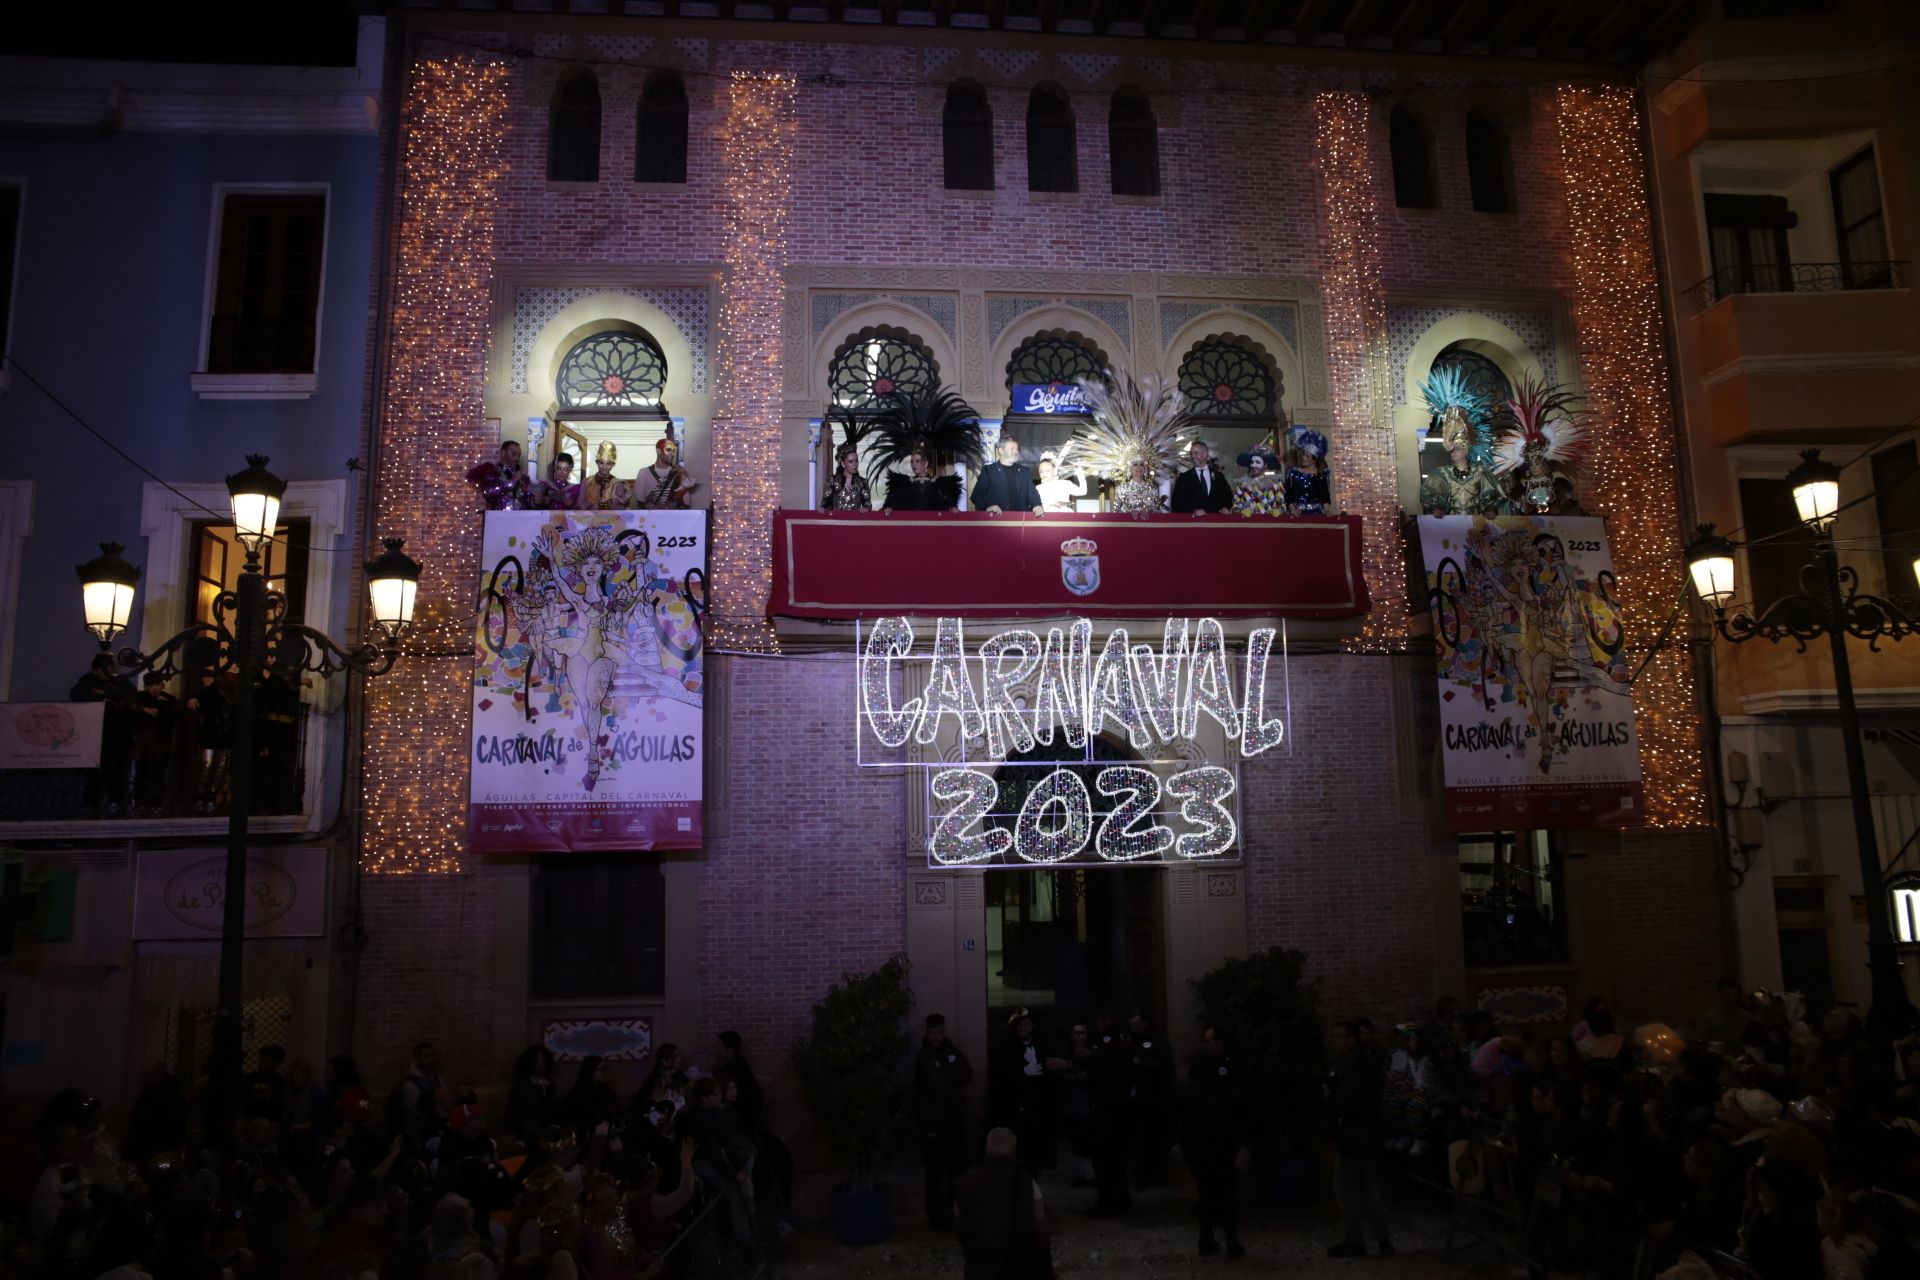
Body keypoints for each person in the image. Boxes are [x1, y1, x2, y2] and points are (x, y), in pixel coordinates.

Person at [1178, 1025, 1245, 1259]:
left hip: (1196, 1151)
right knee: (1227, 1193)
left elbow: (1177, 1118)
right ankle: (1232, 1241)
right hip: (1221, 1149)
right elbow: (1241, 1113)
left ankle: (1206, 1238)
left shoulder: (1185, 1090)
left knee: (1206, 1193)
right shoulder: (1224, 1090)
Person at [1327, 1020, 1392, 1258]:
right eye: (1335, 1035)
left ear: (1352, 1038)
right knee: (1369, 1188)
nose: (1337, 1040)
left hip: (1353, 1134)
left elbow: (1347, 1101)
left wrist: (1330, 1100)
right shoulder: (1365, 1061)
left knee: (1347, 1190)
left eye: (1341, 1036)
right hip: (1369, 1133)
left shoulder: (1351, 1064)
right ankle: (1383, 1239)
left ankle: (1355, 1241)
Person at [954, 1127, 1051, 1280]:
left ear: (986, 1149)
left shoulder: (965, 1182)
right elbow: (1040, 1227)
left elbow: (959, 1224)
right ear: (1013, 1151)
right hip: (1015, 1265)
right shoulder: (1026, 1183)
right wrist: (1046, 1266)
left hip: (978, 1264)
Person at [988, 1009, 1069, 1170]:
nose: (1022, 1028)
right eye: (1019, 1024)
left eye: (1026, 1024)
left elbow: (1052, 1073)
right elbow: (998, 1074)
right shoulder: (1007, 1048)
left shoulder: (1044, 1046)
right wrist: (1022, 1072)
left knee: (1036, 1149)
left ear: (1033, 1026)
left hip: (1038, 1107)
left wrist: (1038, 1069)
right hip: (1015, 1108)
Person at [914, 1013, 972, 1230]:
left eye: (939, 1032)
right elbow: (940, 1084)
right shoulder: (925, 1057)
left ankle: (952, 1211)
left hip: (953, 1119)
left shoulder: (949, 1049)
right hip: (934, 1122)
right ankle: (936, 1217)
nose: (937, 1037)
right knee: (936, 1171)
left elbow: (967, 1071)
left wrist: (946, 1073)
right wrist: (952, 1072)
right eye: (933, 1033)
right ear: (927, 1033)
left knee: (958, 1166)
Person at [1086, 1013, 1134, 1217]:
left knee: (1106, 1157)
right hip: (1119, 1106)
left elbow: (1101, 1065)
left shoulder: (1110, 1038)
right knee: (1118, 1158)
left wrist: (1076, 1062)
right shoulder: (1123, 1037)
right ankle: (1120, 1200)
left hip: (1110, 1106)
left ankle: (1109, 1202)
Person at [1419, 405, 1504, 516]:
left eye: (1458, 449)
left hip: (1475, 524)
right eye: (1452, 449)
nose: (1454, 452)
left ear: (1466, 451)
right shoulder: (1442, 474)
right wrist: (1437, 508)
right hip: (1451, 526)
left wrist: (1489, 509)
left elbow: (1492, 496)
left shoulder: (1480, 472)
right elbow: (1428, 494)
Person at [1126, 1010, 1175, 1189]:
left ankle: (1151, 1176)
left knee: (1151, 1140)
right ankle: (1141, 1175)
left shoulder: (1157, 1041)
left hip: (1154, 1100)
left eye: (1137, 1025)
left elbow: (1163, 1066)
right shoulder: (1131, 1040)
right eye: (1132, 1025)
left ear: (1145, 1022)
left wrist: (1140, 1062)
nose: (1134, 1029)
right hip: (1137, 1099)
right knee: (1139, 1141)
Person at [392, 1040, 446, 1149]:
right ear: (417, 1058)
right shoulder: (410, 1084)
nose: (431, 1060)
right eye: (426, 1056)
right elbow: (420, 1111)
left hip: (435, 1131)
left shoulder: (436, 1079)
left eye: (432, 1056)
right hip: (417, 1137)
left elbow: (446, 1099)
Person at [972, 436, 1044, 515]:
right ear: (1001, 450)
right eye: (1012, 448)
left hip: (1021, 521)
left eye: (1017, 449)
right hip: (998, 521)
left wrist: (1037, 505)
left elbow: (1032, 494)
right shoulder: (988, 471)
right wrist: (987, 507)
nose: (1016, 452)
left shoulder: (1024, 472)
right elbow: (976, 496)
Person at [882, 446, 962, 511]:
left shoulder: (937, 483)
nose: (914, 464)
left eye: (917, 461)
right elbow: (895, 501)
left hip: (931, 526)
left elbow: (944, 503)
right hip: (911, 526)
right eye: (912, 461)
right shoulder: (905, 483)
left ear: (926, 463)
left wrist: (951, 507)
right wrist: (890, 507)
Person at [508, 1045, 559, 1146]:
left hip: (547, 1135)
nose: (542, 1064)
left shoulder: (549, 1085)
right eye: (537, 1062)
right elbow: (512, 1114)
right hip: (528, 1135)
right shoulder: (521, 1086)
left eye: (544, 1061)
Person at [632, 437, 697, 510]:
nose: (672, 454)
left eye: (673, 451)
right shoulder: (643, 473)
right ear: (658, 451)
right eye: (668, 450)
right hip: (650, 519)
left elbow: (686, 502)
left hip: (672, 518)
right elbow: (639, 500)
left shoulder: (679, 473)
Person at [1170, 440, 1233, 514]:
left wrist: (1226, 507)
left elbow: (1228, 497)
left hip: (1216, 523)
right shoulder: (1184, 478)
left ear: (1205, 454)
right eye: (1191, 453)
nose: (1193, 456)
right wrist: (1194, 511)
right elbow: (1176, 503)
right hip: (1194, 523)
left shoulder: (1218, 476)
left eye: (1196, 453)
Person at [468, 440, 532, 511]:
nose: (517, 458)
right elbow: (488, 492)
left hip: (522, 519)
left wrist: (539, 500)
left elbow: (529, 501)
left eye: (519, 455)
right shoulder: (492, 472)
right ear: (503, 453)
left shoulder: (522, 476)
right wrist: (512, 482)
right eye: (513, 454)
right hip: (498, 518)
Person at [1697, 979, 1755, 1050]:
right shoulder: (1708, 1017)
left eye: (1735, 994)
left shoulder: (1746, 1016)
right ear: (1719, 994)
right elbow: (1702, 1042)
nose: (1732, 997)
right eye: (1728, 994)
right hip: (1719, 1058)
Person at [1285, 427, 1333, 514]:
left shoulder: (1322, 475)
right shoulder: (1294, 473)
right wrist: (1293, 509)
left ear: (1315, 460)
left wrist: (1327, 511)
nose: (1303, 458)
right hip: (1298, 514)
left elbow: (1325, 496)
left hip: (1317, 514)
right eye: (1303, 455)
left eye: (1307, 456)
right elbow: (1288, 495)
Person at [1229, 445, 1285, 517]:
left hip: (1270, 525)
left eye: (1257, 462)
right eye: (1252, 462)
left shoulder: (1276, 483)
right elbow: (1235, 506)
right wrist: (1242, 511)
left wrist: (1276, 512)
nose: (1253, 465)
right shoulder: (1243, 484)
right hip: (1249, 525)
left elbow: (1281, 505)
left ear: (1265, 465)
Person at [576, 441, 632, 511]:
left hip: (611, 520)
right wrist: (589, 505)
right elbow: (578, 507)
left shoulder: (618, 483)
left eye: (608, 464)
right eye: (601, 463)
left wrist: (616, 502)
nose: (604, 467)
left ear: (613, 465)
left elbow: (621, 510)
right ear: (597, 462)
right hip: (589, 519)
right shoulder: (586, 482)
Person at [822, 439, 871, 511]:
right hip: (836, 521)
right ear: (843, 463)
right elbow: (825, 504)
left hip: (856, 521)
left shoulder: (862, 482)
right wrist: (822, 509)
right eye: (851, 461)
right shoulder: (833, 480)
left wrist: (865, 509)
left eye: (856, 461)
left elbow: (868, 506)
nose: (855, 464)